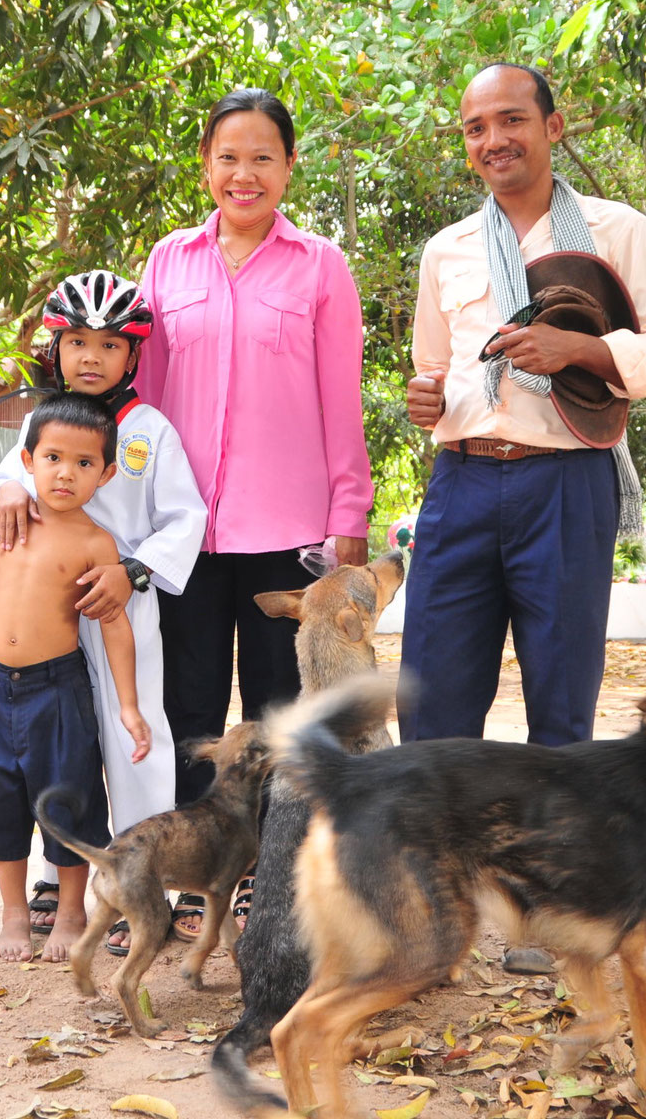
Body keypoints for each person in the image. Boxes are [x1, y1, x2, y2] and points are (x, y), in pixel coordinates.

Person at [139, 88, 374, 938]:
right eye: (228, 156)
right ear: (206, 165)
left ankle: (272, 891)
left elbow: (338, 400)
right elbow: (147, 401)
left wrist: (350, 512)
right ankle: (190, 881)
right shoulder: (167, 262)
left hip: (294, 535)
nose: (244, 173)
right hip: (186, 533)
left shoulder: (320, 266)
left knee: (282, 711)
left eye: (262, 157)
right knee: (190, 710)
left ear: (289, 165)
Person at [402, 63, 646, 747]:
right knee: (430, 707)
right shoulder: (447, 251)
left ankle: (552, 858)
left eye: (511, 120)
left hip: (565, 483)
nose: (493, 139)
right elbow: (432, 370)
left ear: (552, 127)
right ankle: (440, 856)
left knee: (561, 713)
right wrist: (426, 398)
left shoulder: (614, 230)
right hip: (460, 484)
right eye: (476, 128)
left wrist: (575, 349)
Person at [0, 271, 206, 951]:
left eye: (109, 345)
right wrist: (6, 495)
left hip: (119, 609)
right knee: (57, 753)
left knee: (132, 741)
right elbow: (8, 480)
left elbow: (184, 517)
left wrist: (132, 569)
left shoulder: (149, 430)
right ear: (55, 348)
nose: (90, 358)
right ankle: (60, 878)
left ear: (133, 356)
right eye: (76, 341)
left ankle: (140, 888)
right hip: (45, 620)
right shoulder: (44, 424)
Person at [0, 391, 152, 963]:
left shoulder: (94, 542)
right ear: (28, 460)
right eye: (53, 458)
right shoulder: (8, 520)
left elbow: (113, 626)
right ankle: (13, 913)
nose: (66, 473)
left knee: (68, 801)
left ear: (106, 474)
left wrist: (129, 707)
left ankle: (69, 912)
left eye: (84, 464)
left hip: (57, 691)